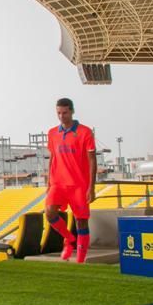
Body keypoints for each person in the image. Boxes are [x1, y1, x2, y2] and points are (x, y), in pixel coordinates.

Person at [44, 98, 97, 263]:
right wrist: (48, 182)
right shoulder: (52, 133)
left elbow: (92, 160)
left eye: (65, 112)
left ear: (72, 111)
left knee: (81, 222)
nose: (61, 116)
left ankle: (80, 260)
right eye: (58, 113)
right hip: (58, 183)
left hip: (79, 184)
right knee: (49, 212)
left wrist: (91, 187)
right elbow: (52, 157)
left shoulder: (85, 132)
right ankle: (68, 239)